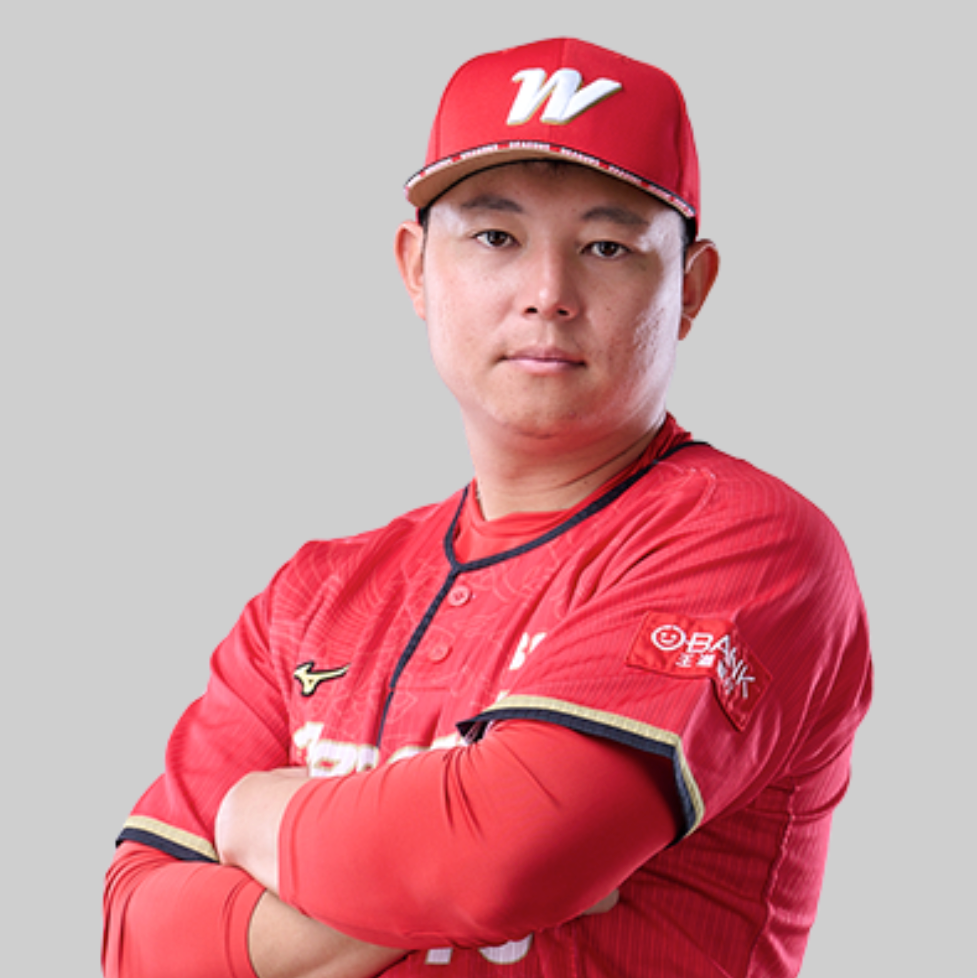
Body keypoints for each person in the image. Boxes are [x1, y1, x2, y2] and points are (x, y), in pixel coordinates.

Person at [102, 37, 873, 978]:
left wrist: (252, 814)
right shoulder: (312, 595)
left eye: (606, 246)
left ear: (690, 288)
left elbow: (503, 859)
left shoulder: (747, 542)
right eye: (495, 238)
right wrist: (457, 857)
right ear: (415, 269)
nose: (547, 295)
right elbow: (141, 942)